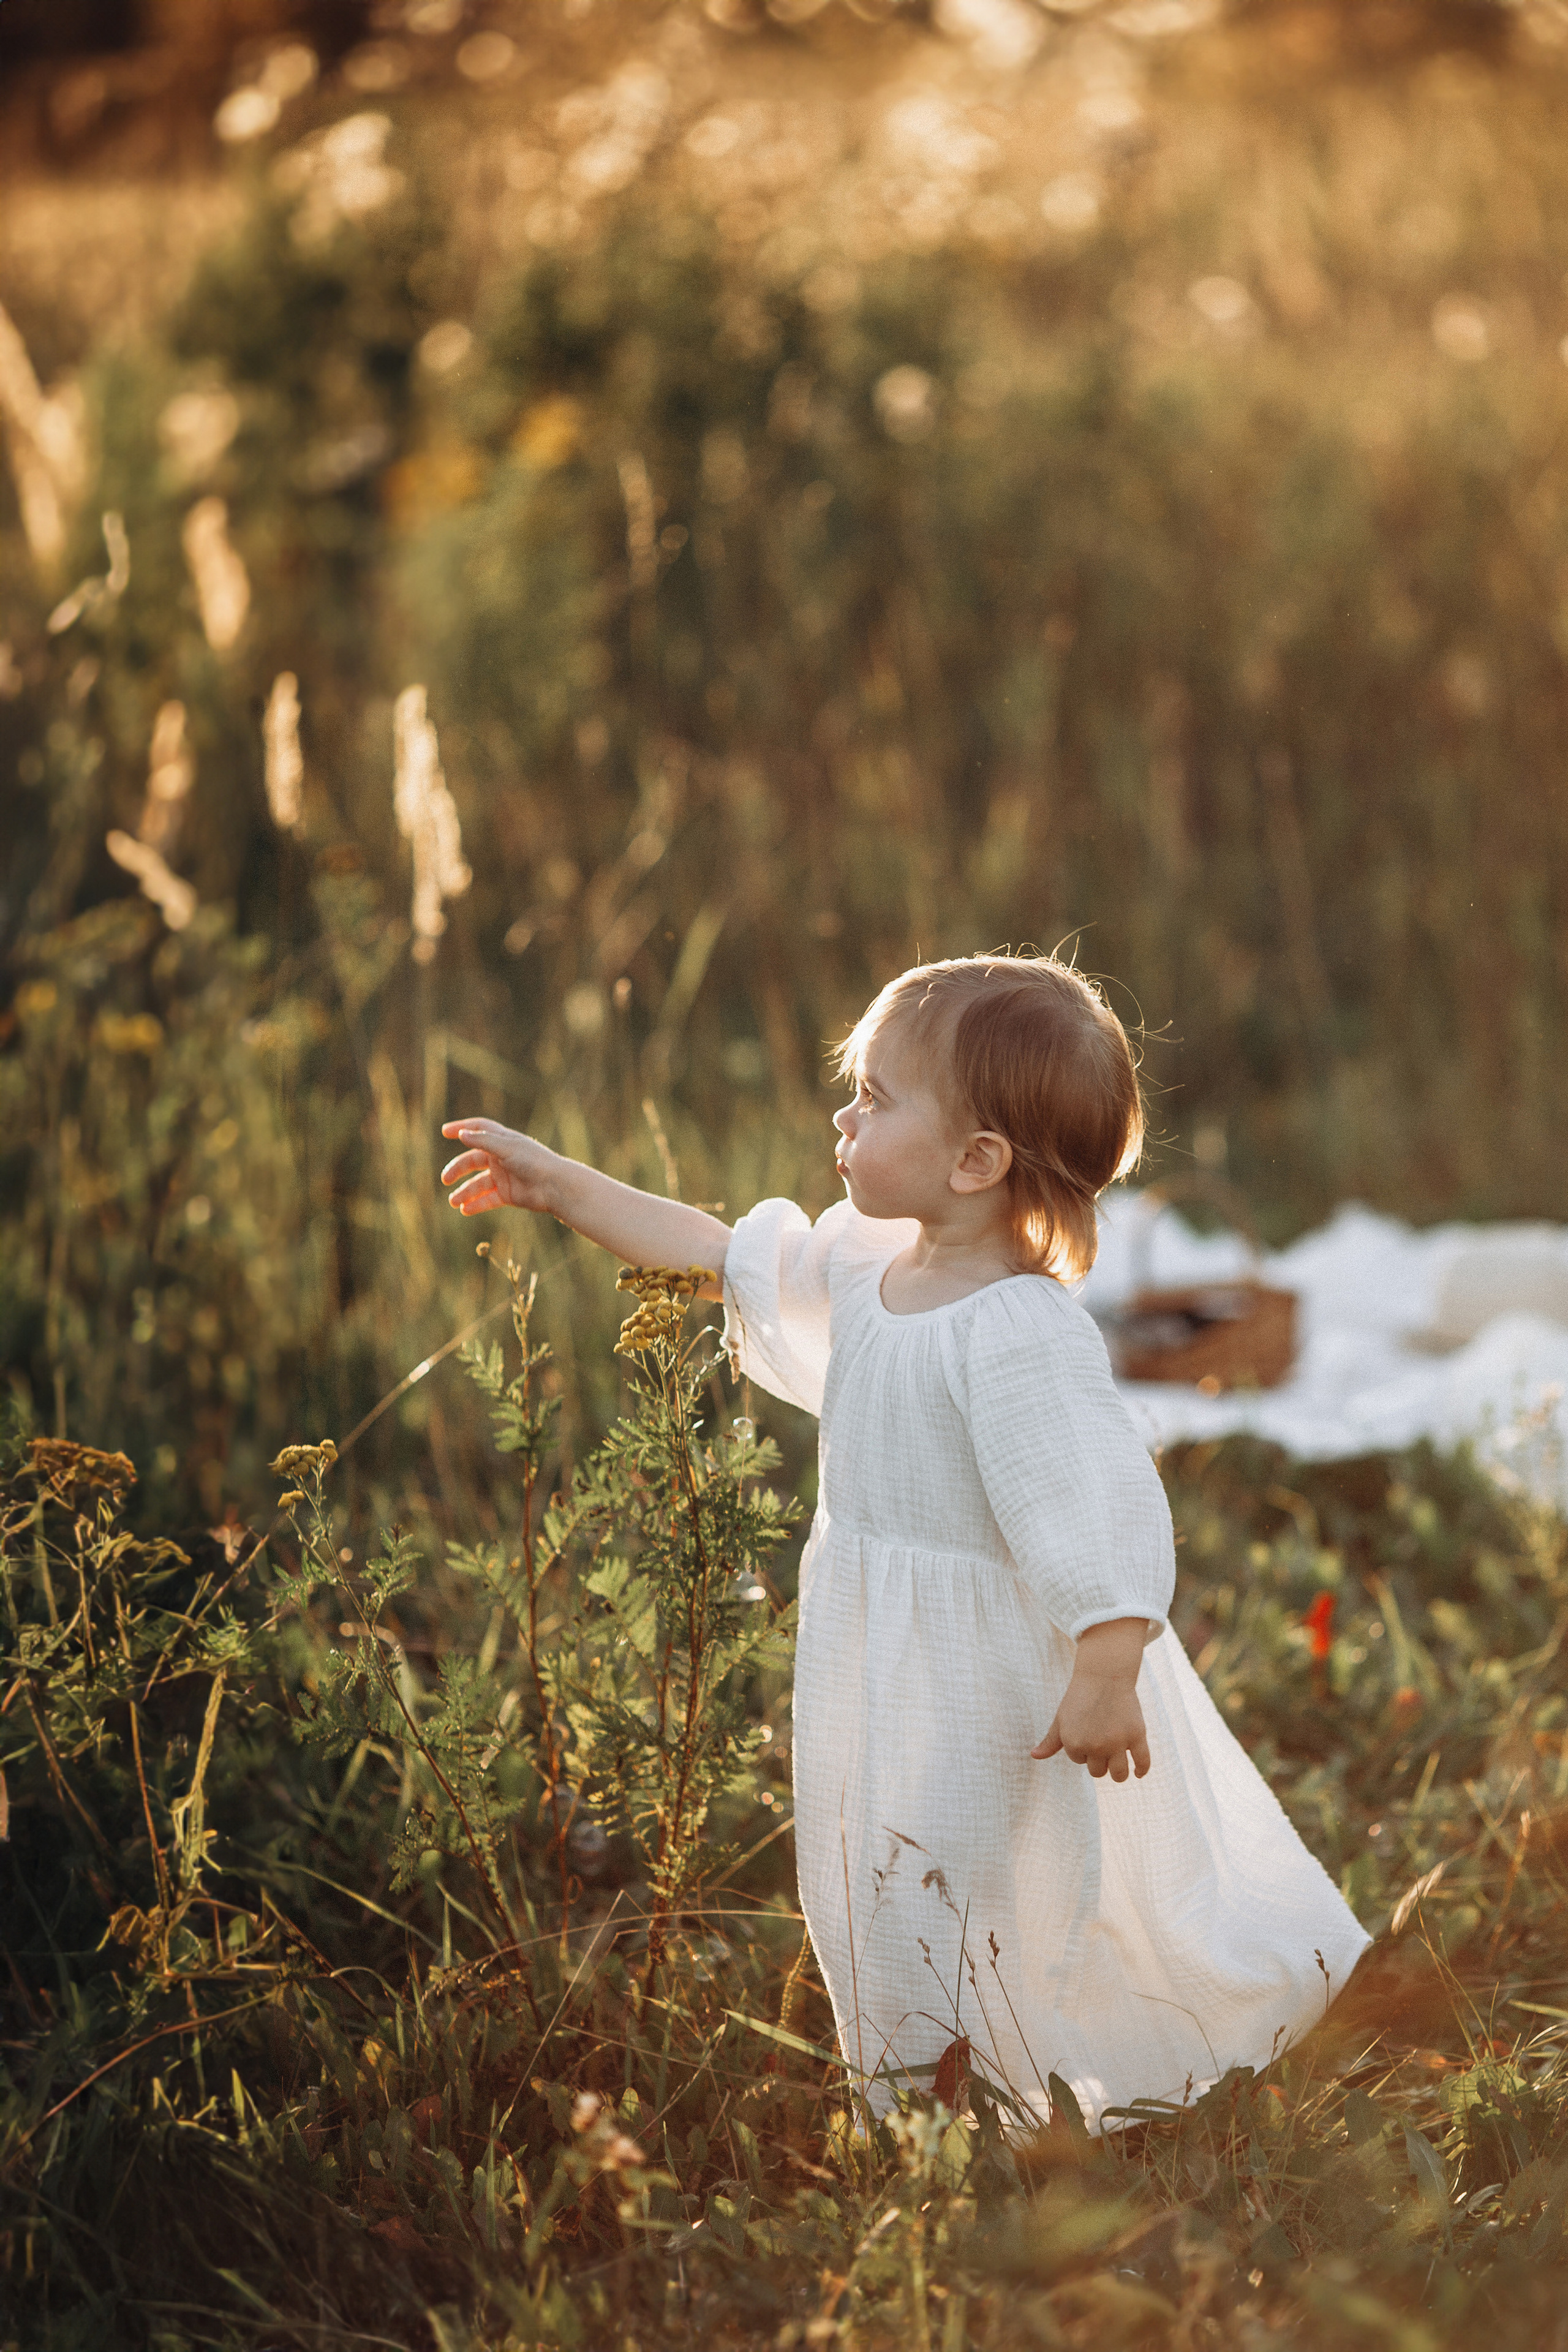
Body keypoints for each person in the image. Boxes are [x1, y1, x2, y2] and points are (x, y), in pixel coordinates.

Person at [439, 952, 1369, 2130]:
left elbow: (1101, 1497)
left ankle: (1005, 2089)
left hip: (986, 1675)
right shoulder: (874, 1268)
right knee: (875, 1859)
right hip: (877, 1647)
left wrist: (1105, 1664)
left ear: (978, 1161)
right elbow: (721, 1253)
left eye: (875, 1098)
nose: (844, 1115)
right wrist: (557, 1185)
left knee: (970, 1872)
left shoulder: (1018, 1329)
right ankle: (921, 2085)